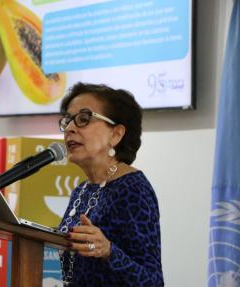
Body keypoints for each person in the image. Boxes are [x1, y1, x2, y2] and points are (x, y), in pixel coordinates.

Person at [58, 82, 164, 286]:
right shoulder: (82, 190)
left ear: (116, 134)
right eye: (68, 121)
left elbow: (153, 281)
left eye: (83, 119)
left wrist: (108, 251)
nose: (70, 128)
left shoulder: (133, 189)